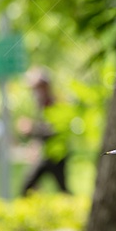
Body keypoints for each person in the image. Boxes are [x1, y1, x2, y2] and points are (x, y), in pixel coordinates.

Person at [19, 66, 70, 195]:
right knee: (30, 186)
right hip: (46, 153)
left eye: (38, 88)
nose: (35, 93)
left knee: (61, 188)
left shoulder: (56, 104)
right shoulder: (41, 105)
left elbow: (54, 129)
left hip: (56, 154)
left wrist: (32, 128)